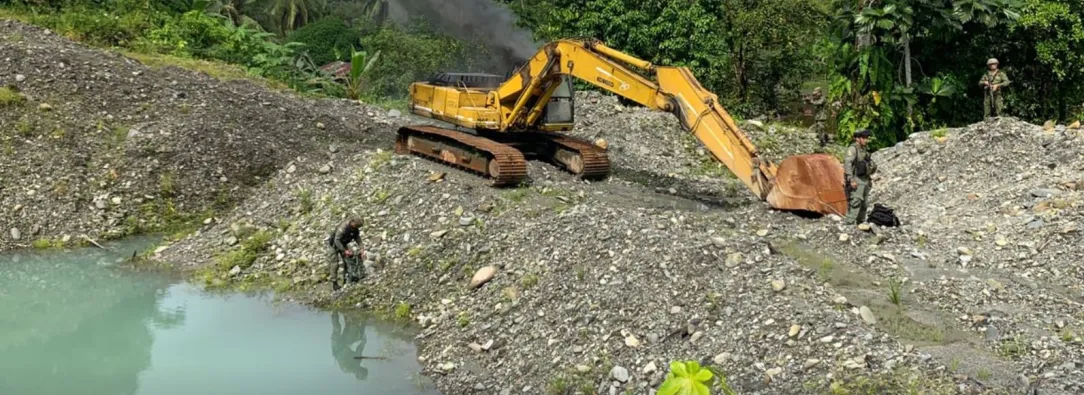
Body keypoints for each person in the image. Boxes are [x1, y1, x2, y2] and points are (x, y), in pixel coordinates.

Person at [843, 129, 877, 225]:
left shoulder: (863, 149)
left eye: (867, 138)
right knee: (856, 202)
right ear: (858, 139)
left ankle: (860, 222)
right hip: (856, 179)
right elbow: (847, 164)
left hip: (865, 179)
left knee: (864, 203)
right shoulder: (853, 149)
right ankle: (849, 223)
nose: (866, 140)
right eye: (864, 138)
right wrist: (851, 179)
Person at [326, 218, 365, 290]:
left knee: (347, 260)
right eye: (356, 225)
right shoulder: (343, 227)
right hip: (334, 245)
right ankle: (334, 283)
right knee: (335, 263)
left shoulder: (355, 229)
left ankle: (346, 279)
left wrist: (362, 248)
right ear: (353, 222)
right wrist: (345, 250)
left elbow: (357, 238)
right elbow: (337, 240)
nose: (356, 227)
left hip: (343, 244)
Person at [330, 311, 369, 381]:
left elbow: (339, 356)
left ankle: (334, 311)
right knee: (355, 332)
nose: (361, 369)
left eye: (361, 372)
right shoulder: (358, 362)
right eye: (362, 370)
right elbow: (359, 349)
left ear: (357, 374)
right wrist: (364, 341)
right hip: (345, 344)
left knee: (337, 329)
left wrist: (347, 347)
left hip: (337, 348)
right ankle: (347, 314)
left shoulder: (346, 369)